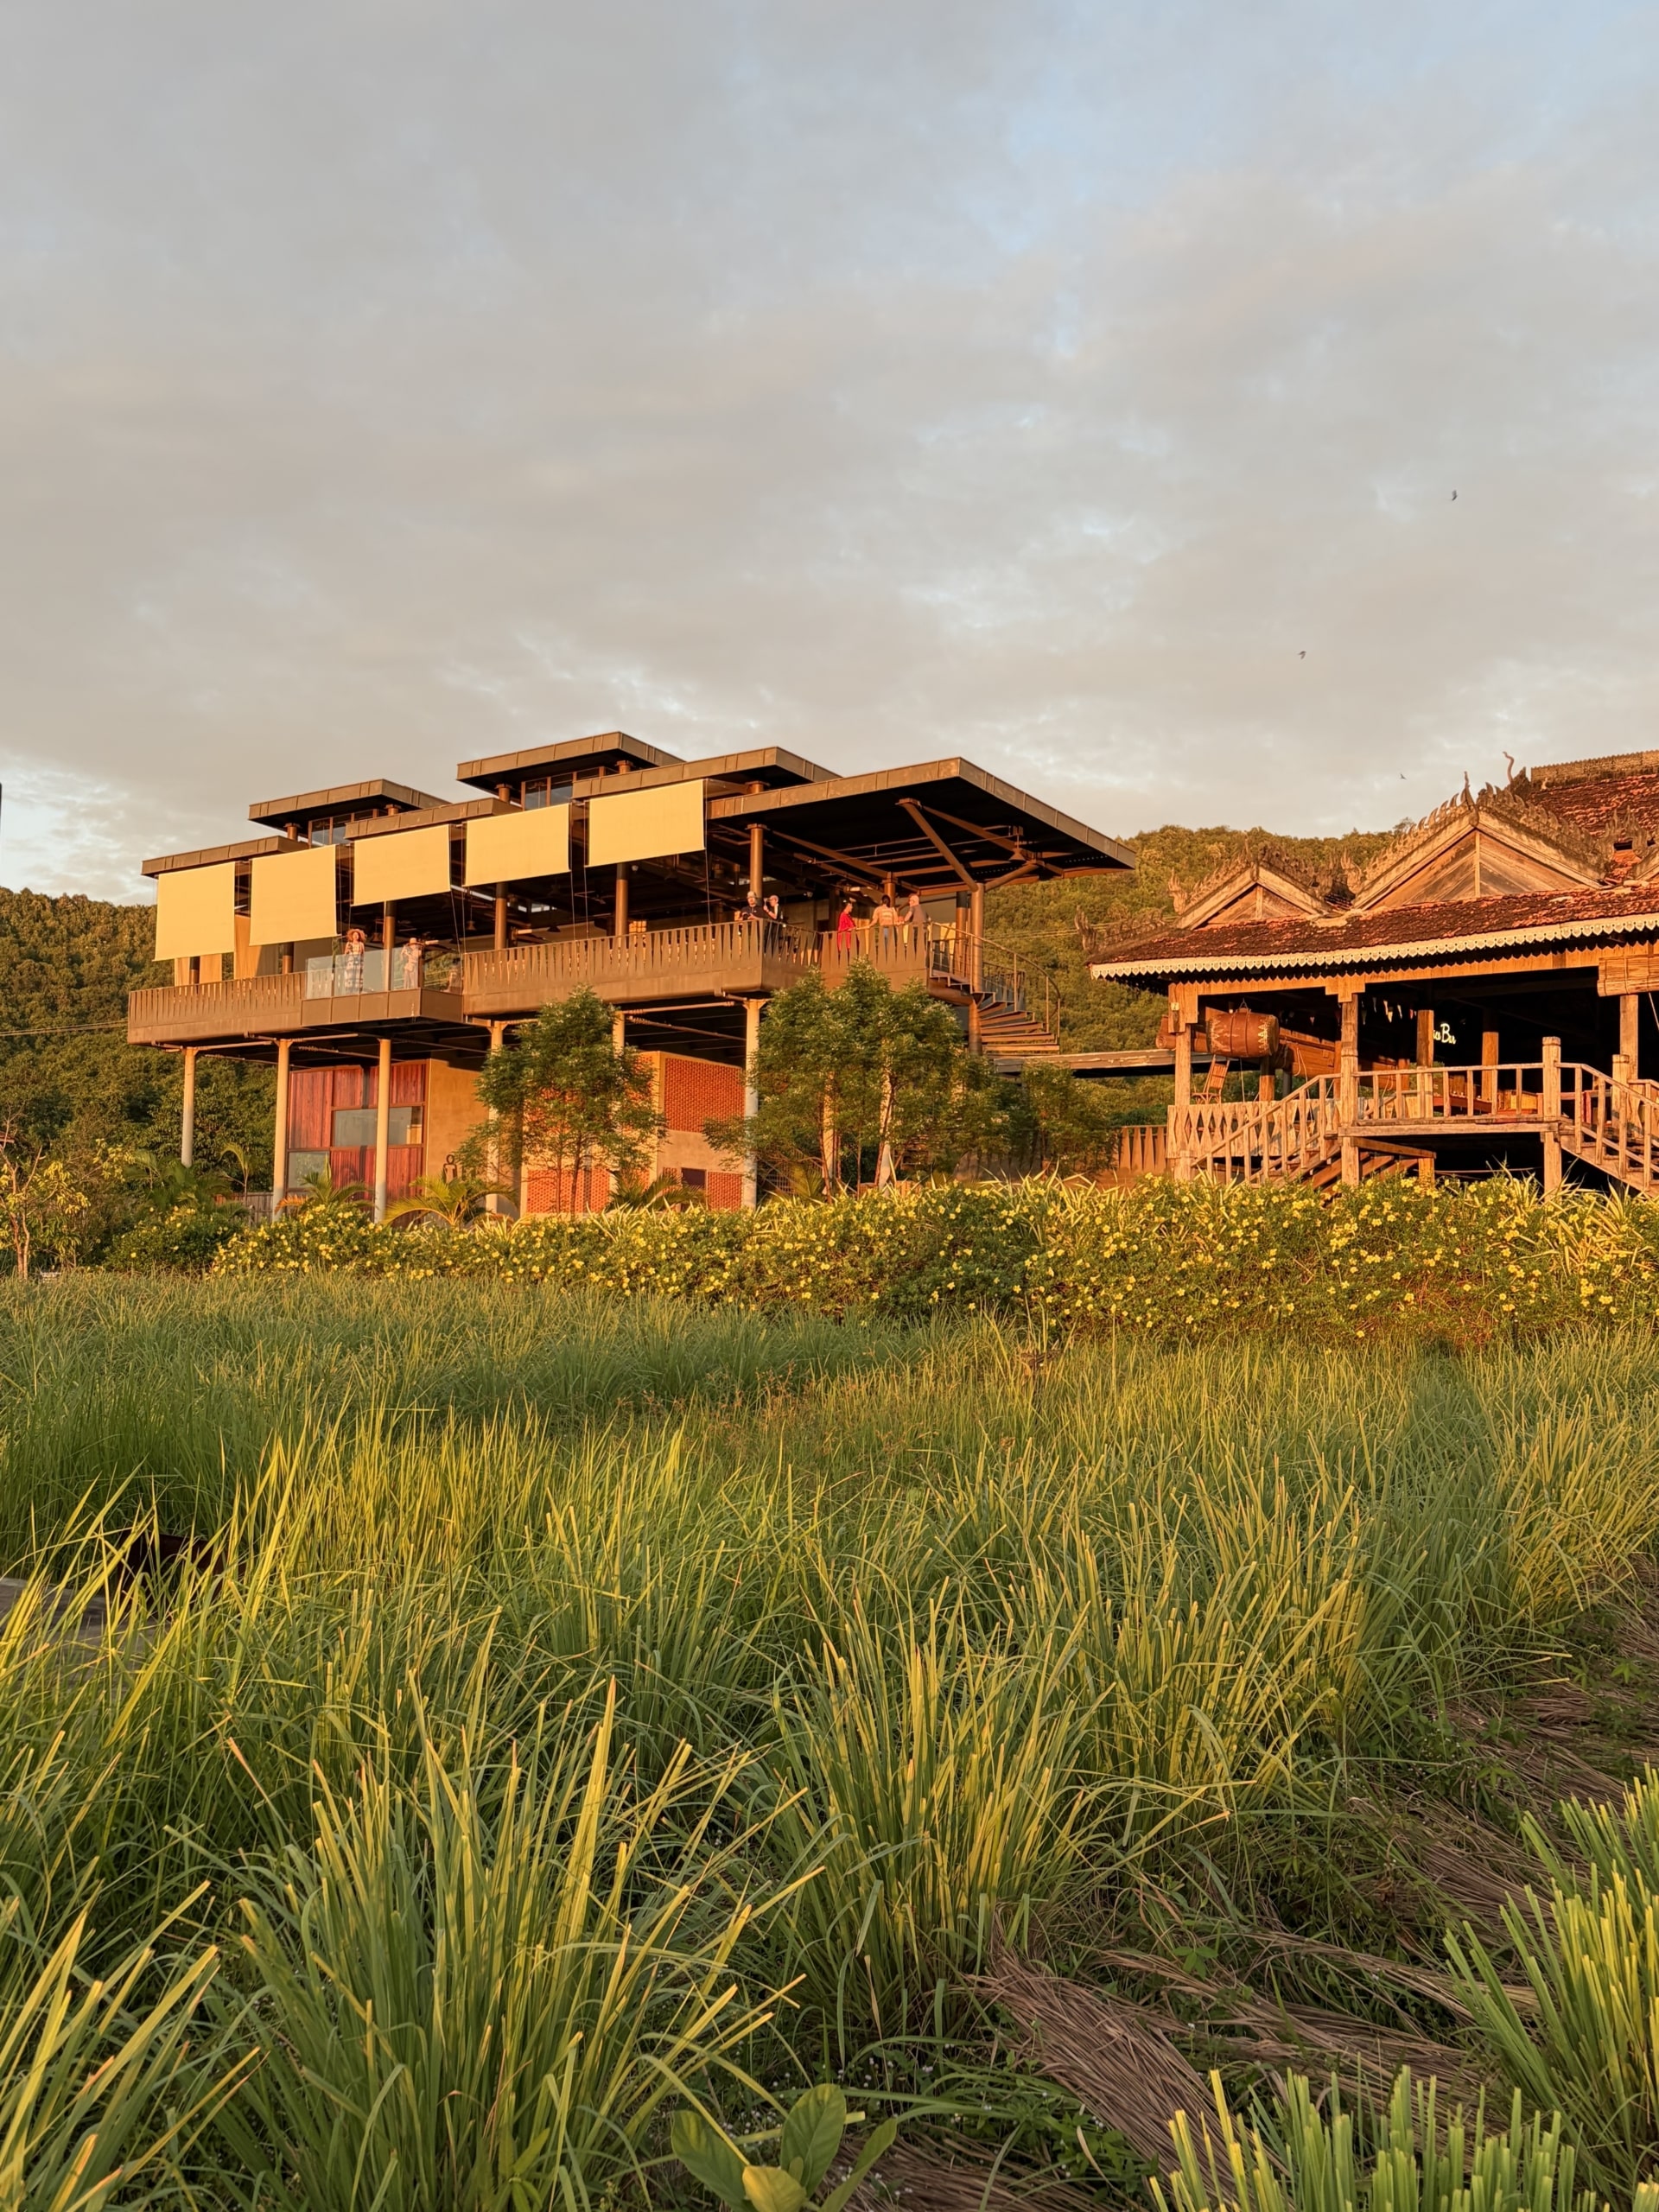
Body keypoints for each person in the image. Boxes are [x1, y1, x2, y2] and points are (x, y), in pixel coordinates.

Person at [339, 926, 367, 995]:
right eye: (354, 935)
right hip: (351, 961)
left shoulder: (361, 944)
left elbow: (363, 955)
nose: (355, 936)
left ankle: (357, 990)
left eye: (357, 935)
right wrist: (348, 950)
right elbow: (345, 954)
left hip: (358, 961)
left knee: (358, 976)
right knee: (350, 976)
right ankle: (349, 990)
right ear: (352, 936)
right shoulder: (349, 944)